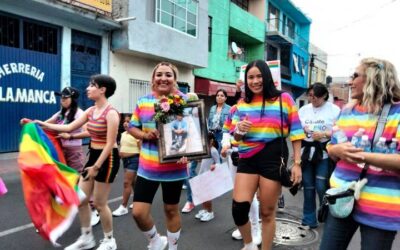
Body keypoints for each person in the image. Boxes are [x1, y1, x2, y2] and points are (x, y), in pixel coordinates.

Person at [320, 57, 400, 250]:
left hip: (380, 209)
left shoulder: (397, 114)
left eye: (355, 76)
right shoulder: (346, 112)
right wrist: (333, 149)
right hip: (341, 201)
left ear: (374, 79)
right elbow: (333, 146)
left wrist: (362, 156)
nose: (350, 81)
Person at [36, 75, 120, 250]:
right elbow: (68, 127)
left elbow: (111, 143)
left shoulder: (111, 113)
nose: (88, 88)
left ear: (102, 90)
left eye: (92, 85)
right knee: (80, 199)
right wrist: (39, 124)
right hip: (93, 154)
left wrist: (96, 166)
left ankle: (109, 240)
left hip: (108, 158)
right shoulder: (90, 111)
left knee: (99, 203)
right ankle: (86, 237)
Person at [231, 60, 304, 250]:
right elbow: (236, 137)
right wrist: (239, 129)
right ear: (245, 80)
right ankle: (249, 245)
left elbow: (296, 131)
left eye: (259, 76)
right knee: (239, 210)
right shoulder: (241, 104)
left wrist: (297, 163)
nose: (255, 81)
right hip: (247, 157)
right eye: (250, 77)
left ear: (267, 77)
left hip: (272, 156)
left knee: (267, 212)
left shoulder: (284, 99)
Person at [128, 62, 188, 250]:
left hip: (175, 168)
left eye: (168, 75)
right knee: (138, 212)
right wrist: (145, 135)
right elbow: (132, 127)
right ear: (153, 78)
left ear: (175, 79)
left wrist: (191, 153)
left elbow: (195, 133)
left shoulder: (185, 101)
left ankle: (172, 246)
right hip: (148, 167)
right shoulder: (143, 101)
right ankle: (155, 240)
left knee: (171, 210)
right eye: (159, 74)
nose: (163, 78)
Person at [298, 83, 341, 229]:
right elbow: (296, 129)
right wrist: (302, 130)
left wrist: (324, 134)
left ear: (324, 96)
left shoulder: (334, 110)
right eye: (310, 96)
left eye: (315, 96)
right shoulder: (303, 110)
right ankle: (308, 220)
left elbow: (341, 131)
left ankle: (327, 216)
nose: (312, 99)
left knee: (322, 186)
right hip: (306, 153)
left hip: (324, 153)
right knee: (308, 187)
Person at [220, 105, 262, 245]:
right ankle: (244, 225)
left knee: (250, 195)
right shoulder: (234, 109)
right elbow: (226, 130)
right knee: (238, 194)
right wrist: (225, 145)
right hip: (234, 155)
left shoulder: (259, 107)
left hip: (251, 155)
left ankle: (255, 229)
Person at [21, 87, 85, 173]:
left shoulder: (80, 114)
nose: (62, 100)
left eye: (65, 97)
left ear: (73, 99)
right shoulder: (60, 113)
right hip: (60, 149)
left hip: (73, 151)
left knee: (76, 176)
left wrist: (71, 136)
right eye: (61, 97)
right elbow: (43, 125)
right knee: (64, 176)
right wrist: (29, 123)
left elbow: (87, 132)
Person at [112, 114, 141, 217]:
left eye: (129, 121)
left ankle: (123, 207)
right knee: (133, 182)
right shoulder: (123, 134)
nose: (126, 123)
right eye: (125, 121)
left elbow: (140, 151)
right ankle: (138, 201)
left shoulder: (137, 135)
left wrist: (128, 154)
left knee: (126, 183)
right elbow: (122, 146)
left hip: (134, 160)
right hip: (125, 161)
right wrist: (121, 153)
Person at [193, 132, 220, 222]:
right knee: (202, 195)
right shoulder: (205, 150)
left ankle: (210, 212)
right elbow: (203, 160)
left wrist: (214, 166)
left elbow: (218, 163)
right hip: (202, 174)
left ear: (211, 141)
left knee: (207, 196)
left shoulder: (213, 151)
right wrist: (198, 159)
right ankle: (205, 210)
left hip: (208, 176)